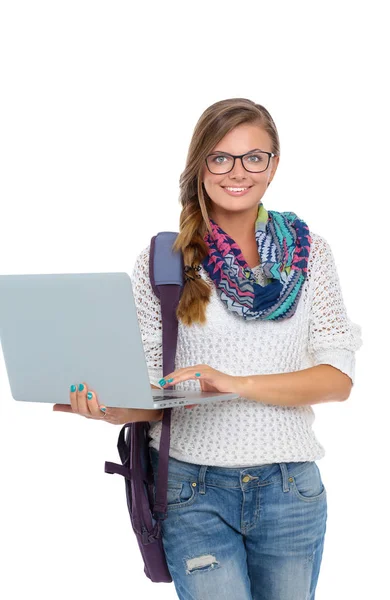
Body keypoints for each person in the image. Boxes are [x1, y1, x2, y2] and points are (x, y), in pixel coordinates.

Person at [53, 98, 363, 599]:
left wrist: (234, 383)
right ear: (200, 165)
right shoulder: (163, 261)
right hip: (190, 491)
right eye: (220, 158)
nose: (236, 172)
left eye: (253, 157)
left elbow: (337, 379)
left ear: (274, 165)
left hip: (290, 489)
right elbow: (152, 394)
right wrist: (109, 410)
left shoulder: (311, 254)